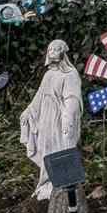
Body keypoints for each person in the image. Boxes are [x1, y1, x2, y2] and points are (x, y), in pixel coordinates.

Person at [16, 38, 85, 200]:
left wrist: (68, 120)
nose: (53, 52)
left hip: (59, 120)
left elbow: (72, 99)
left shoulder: (71, 75)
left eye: (56, 49)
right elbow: (40, 96)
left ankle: (62, 186)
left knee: (59, 149)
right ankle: (47, 182)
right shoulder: (48, 75)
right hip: (45, 120)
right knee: (46, 148)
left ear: (63, 52)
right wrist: (28, 111)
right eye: (50, 49)